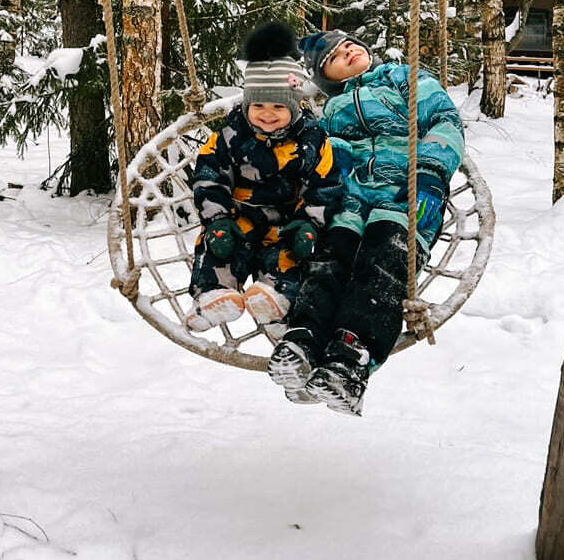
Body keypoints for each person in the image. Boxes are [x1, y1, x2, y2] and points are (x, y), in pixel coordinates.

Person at [266, 29, 464, 415]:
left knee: (382, 264)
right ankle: (303, 339)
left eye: (350, 45)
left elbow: (444, 120)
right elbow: (319, 155)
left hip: (404, 192)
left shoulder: (402, 78)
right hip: (349, 199)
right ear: (328, 78)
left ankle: (351, 357)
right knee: (327, 260)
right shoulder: (331, 111)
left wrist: (428, 174)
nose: (349, 51)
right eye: (336, 56)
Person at [186, 23, 344, 370]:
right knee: (217, 247)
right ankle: (214, 295)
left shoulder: (313, 141)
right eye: (258, 105)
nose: (267, 114)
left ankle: (274, 298)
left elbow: (325, 186)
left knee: (291, 258)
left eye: (278, 106)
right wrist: (217, 219)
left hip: (286, 222)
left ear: (295, 105)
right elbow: (209, 177)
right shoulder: (230, 135)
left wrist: (309, 224)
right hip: (237, 216)